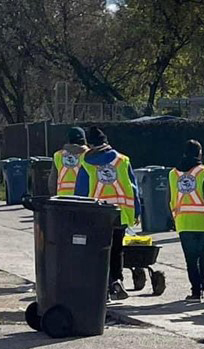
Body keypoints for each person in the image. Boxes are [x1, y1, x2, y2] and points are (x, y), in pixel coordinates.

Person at [75, 126, 141, 301]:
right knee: (117, 250)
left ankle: (102, 287)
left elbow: (81, 191)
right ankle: (117, 280)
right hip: (119, 213)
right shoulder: (122, 160)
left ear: (89, 144)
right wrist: (137, 211)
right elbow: (134, 188)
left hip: (96, 214)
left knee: (98, 250)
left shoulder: (86, 163)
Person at [170, 140, 204, 303]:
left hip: (184, 221)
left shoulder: (173, 174)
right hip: (203, 221)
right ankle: (202, 286)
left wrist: (173, 217)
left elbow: (170, 198)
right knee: (203, 254)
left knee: (190, 258)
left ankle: (195, 291)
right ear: (199, 153)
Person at [52, 127, 89, 196]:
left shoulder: (58, 155)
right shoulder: (89, 155)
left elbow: (52, 181)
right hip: (84, 198)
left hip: (63, 197)